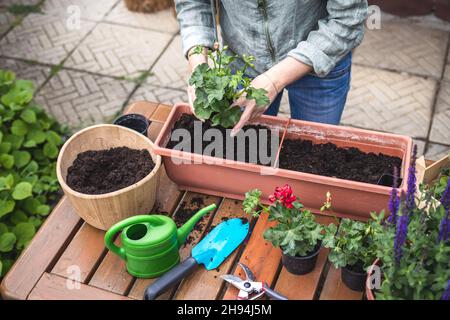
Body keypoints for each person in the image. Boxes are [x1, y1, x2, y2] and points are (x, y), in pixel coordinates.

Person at [175, 0, 368, 136]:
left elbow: (348, 19)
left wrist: (274, 80)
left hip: (320, 59)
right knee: (248, 152)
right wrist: (200, 65)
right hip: (244, 61)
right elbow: (193, 3)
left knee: (314, 152)